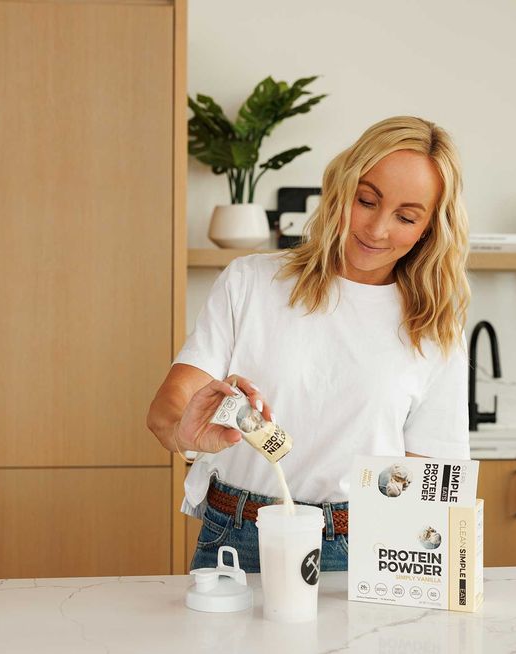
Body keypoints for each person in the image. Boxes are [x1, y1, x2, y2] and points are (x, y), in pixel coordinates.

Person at [146, 115, 472, 573]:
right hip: (240, 536)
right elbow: (166, 410)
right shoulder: (253, 282)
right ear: (341, 189)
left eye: (405, 216)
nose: (377, 229)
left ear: (429, 229)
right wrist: (185, 432)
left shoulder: (433, 328)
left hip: (368, 543)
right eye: (366, 201)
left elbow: (431, 483)